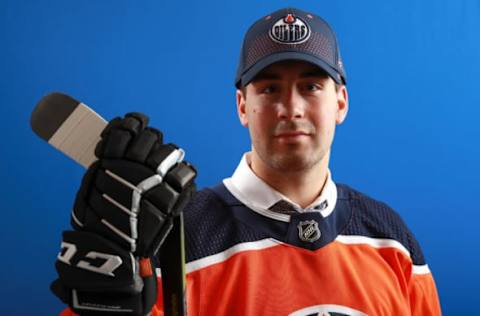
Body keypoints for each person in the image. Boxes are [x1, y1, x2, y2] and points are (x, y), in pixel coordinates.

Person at [52, 7, 442, 316]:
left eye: (311, 86)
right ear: (243, 105)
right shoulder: (175, 242)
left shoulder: (392, 241)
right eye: (270, 88)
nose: (291, 108)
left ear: (340, 101)